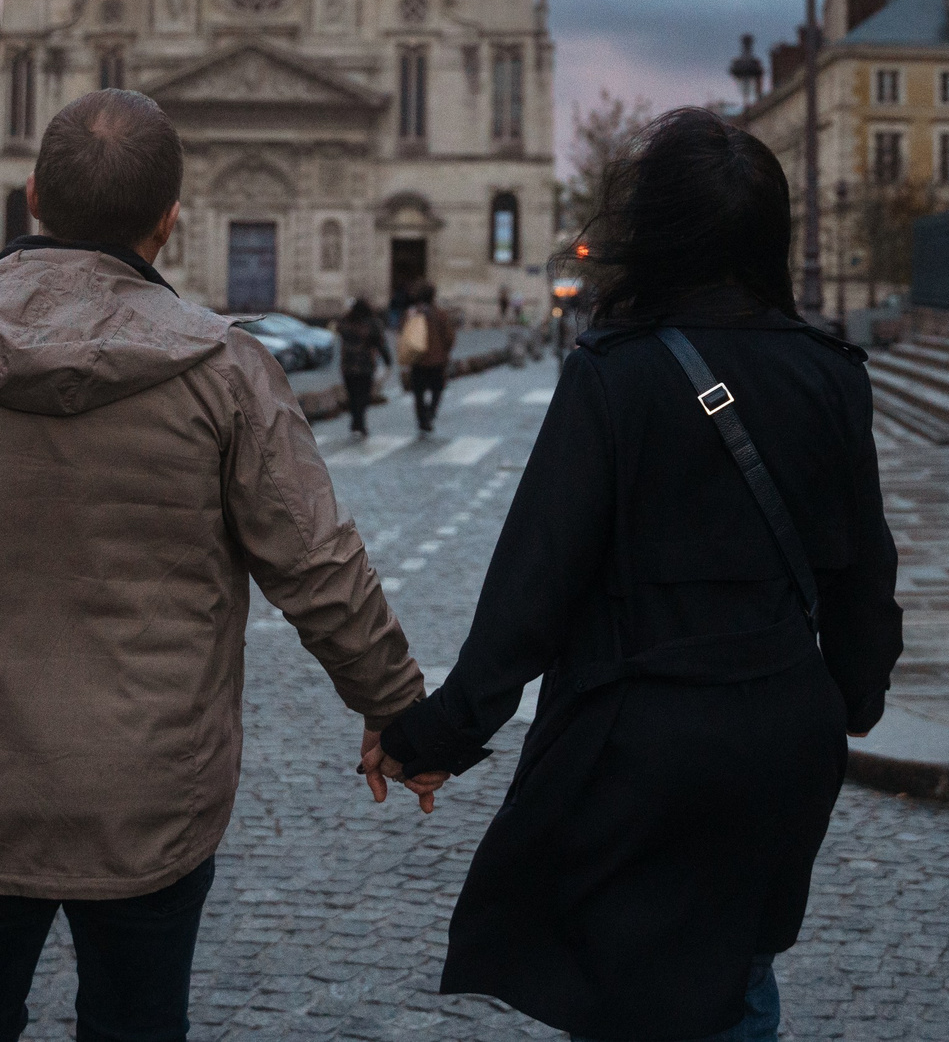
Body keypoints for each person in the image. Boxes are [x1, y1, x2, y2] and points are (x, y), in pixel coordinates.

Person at [0, 89, 430, 1042]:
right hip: (147, 793)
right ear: (170, 219)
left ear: (33, 195)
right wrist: (400, 711)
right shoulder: (226, 371)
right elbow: (319, 565)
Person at [367, 109, 905, 1042]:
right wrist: (850, 696)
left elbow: (531, 593)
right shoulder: (832, 374)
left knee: (633, 987)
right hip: (781, 738)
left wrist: (435, 736)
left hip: (641, 745)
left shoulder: (613, 374)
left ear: (652, 231)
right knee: (740, 968)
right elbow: (865, 576)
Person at [401, 282, 456, 435]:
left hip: (417, 359)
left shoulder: (412, 313)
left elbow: (404, 332)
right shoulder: (440, 314)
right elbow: (449, 336)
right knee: (437, 389)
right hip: (437, 360)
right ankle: (430, 413)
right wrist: (445, 351)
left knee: (418, 392)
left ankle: (422, 419)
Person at [336, 298, 394, 439]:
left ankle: (357, 422)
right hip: (365, 366)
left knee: (353, 395)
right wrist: (387, 360)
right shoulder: (373, 324)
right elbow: (380, 344)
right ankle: (359, 423)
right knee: (363, 395)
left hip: (348, 366)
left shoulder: (346, 322)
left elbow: (338, 328)